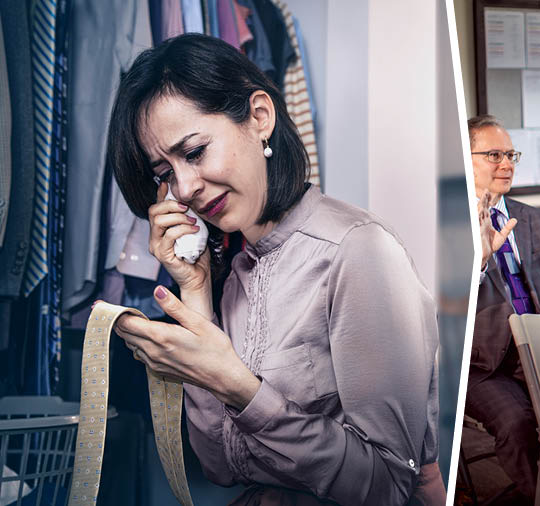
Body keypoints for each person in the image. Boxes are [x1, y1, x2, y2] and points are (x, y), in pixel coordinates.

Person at [105, 34, 443, 505]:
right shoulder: (235, 269)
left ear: (260, 117)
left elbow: (389, 485)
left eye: (195, 152)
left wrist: (238, 386)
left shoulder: (358, 252)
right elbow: (220, 467)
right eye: (164, 174)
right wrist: (197, 292)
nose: (183, 188)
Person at [465, 114, 540, 500]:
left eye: (511, 154)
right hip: (484, 363)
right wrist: (480, 261)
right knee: (517, 422)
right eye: (494, 154)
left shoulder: (532, 218)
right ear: (466, 158)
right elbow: (440, 309)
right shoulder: (449, 222)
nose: (507, 163)